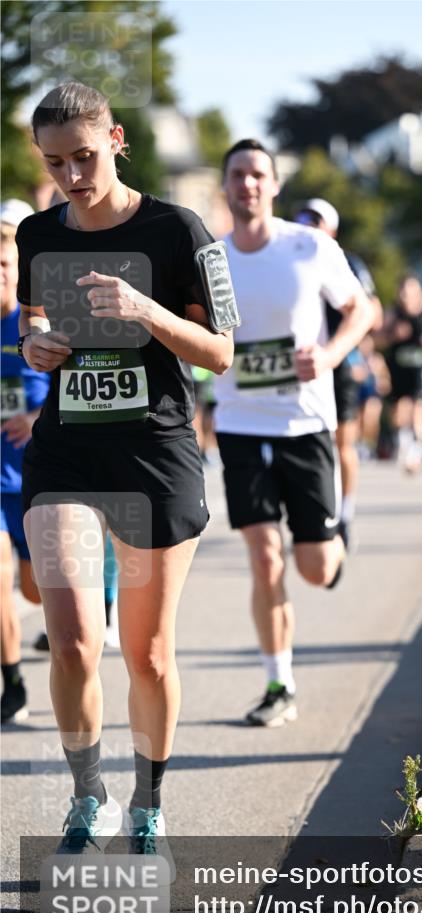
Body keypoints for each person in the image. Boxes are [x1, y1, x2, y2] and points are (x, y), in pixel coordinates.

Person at [17, 82, 234, 853]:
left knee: (145, 653)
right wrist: (32, 346)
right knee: (74, 638)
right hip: (67, 450)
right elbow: (31, 326)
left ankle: (148, 802)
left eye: (83, 155)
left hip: (155, 453)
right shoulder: (39, 235)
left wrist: (147, 311)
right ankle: (88, 796)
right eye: (54, 163)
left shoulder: (179, 228)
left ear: (115, 139)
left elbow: (220, 352)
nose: (72, 175)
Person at [215, 139, 373, 727]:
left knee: (313, 567)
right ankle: (279, 683)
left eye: (258, 174)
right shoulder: (211, 257)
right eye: (238, 175)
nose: (248, 184)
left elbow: (362, 310)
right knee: (264, 558)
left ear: (274, 185)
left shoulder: (309, 246)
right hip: (237, 422)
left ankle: (335, 544)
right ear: (226, 186)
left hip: (305, 422)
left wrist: (330, 355)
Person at [293, 198, 381, 547]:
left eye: (317, 221)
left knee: (343, 441)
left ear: (332, 229)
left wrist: (343, 350)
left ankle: (345, 514)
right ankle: (313, 512)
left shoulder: (349, 262)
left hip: (339, 363)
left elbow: (370, 310)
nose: (310, 226)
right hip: (300, 364)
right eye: (304, 219)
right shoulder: (288, 257)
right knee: (309, 443)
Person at [1, 207, 50, 724]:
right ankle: (12, 681)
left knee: (35, 589)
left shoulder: (37, 318)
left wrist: (36, 416)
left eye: (2, 262)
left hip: (36, 478)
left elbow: (72, 385)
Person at [382, 275, 422, 474]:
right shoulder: (394, 313)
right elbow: (376, 339)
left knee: (419, 410)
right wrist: (392, 335)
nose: (406, 297)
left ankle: (417, 453)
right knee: (399, 412)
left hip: (421, 368)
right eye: (403, 293)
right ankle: (405, 443)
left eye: (410, 293)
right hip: (399, 368)